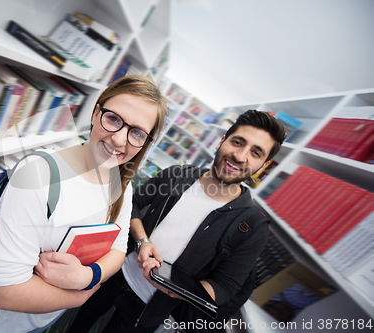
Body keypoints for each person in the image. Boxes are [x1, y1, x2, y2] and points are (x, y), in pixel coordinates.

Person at [0, 74, 167, 333]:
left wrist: (89, 277)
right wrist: (81, 295)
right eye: (113, 119)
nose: (120, 140)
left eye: (136, 133)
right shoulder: (39, 175)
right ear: (95, 112)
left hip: (41, 321)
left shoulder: (122, 186)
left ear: (146, 142)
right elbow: (4, 292)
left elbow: (119, 249)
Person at [67, 109, 287, 333]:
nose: (240, 156)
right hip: (115, 272)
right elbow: (131, 203)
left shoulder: (253, 226)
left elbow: (225, 286)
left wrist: (185, 291)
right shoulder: (176, 175)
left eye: (256, 153)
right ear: (221, 141)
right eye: (238, 142)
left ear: (264, 165)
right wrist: (142, 240)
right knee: (80, 321)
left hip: (148, 308)